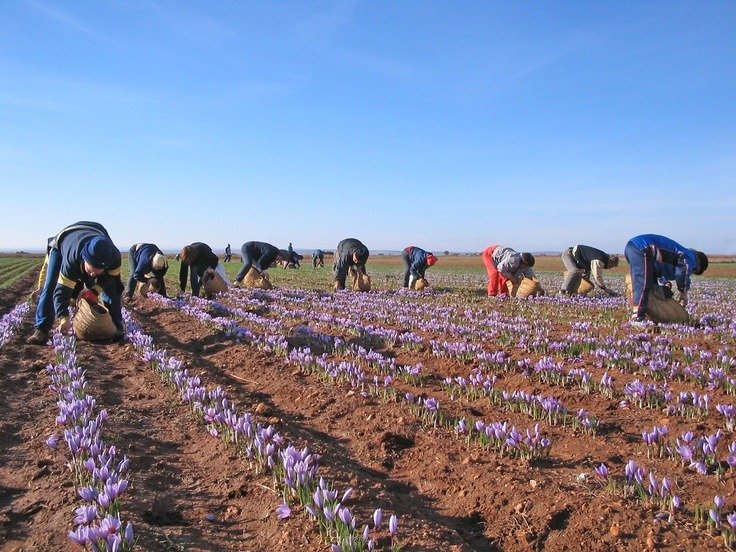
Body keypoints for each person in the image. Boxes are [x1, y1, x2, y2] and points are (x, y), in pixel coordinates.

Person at [28, 221, 124, 345]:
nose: (93, 275)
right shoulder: (71, 259)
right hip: (62, 243)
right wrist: (63, 317)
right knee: (51, 285)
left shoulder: (114, 257)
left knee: (112, 288)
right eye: (91, 270)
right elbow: (62, 291)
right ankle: (41, 329)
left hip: (98, 233)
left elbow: (111, 278)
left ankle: (116, 326)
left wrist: (95, 290)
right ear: (84, 259)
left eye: (99, 272)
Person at [624, 234, 708, 323]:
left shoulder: (679, 256)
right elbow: (682, 273)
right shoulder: (690, 257)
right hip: (642, 247)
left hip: (635, 247)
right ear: (698, 262)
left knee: (653, 290)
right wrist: (683, 292)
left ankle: (648, 315)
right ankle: (637, 317)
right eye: (694, 270)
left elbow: (660, 270)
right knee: (643, 282)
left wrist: (666, 285)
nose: (691, 272)